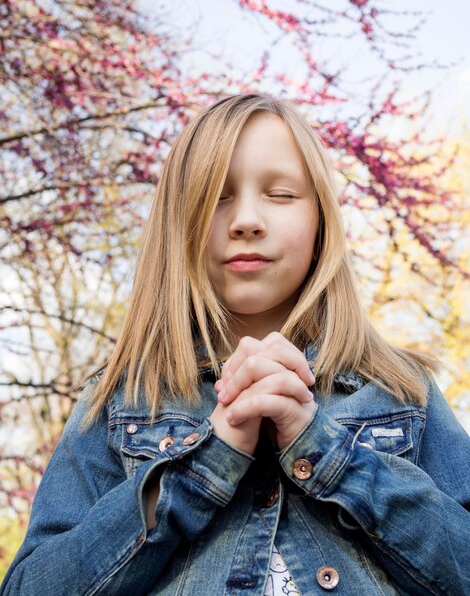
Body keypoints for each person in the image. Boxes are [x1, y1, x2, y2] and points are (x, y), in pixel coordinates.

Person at [1, 93, 469, 596]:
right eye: (217, 195)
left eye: (282, 193)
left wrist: (323, 448)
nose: (246, 219)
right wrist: (206, 460)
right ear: (180, 222)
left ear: (320, 222)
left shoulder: (402, 394)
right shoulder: (118, 401)